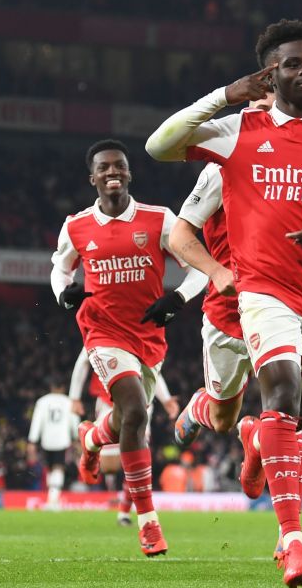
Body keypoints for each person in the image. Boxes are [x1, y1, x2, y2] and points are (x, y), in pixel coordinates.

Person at [146, 19, 302, 588]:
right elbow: (159, 146)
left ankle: (257, 443)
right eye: (293, 64)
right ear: (269, 75)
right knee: (277, 394)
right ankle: (293, 540)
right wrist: (224, 96)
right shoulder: (237, 132)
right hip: (259, 291)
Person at [50, 139, 207, 557]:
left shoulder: (159, 219)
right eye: (103, 168)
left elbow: (199, 268)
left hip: (148, 337)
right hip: (102, 331)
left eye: (118, 166)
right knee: (136, 411)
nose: (112, 172)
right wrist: (64, 294)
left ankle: (90, 439)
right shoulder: (77, 225)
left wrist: (177, 299)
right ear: (93, 177)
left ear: (129, 173)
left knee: (125, 420)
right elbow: (59, 267)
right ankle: (148, 523)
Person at [68, 346, 180, 525]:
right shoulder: (103, 323)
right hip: (108, 399)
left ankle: (125, 513)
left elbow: (152, 369)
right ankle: (91, 439)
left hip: (142, 402)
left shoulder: (143, 328)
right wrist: (74, 396)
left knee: (138, 456)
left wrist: (165, 399)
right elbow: (83, 360)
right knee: (110, 467)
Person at [27, 382, 80, 510]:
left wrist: (32, 441)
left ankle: (52, 499)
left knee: (50, 468)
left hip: (47, 439)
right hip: (62, 440)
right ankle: (53, 499)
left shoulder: (42, 401)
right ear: (63, 388)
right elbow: (74, 421)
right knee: (58, 468)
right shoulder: (68, 402)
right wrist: (76, 437)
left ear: (51, 387)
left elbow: (36, 421)